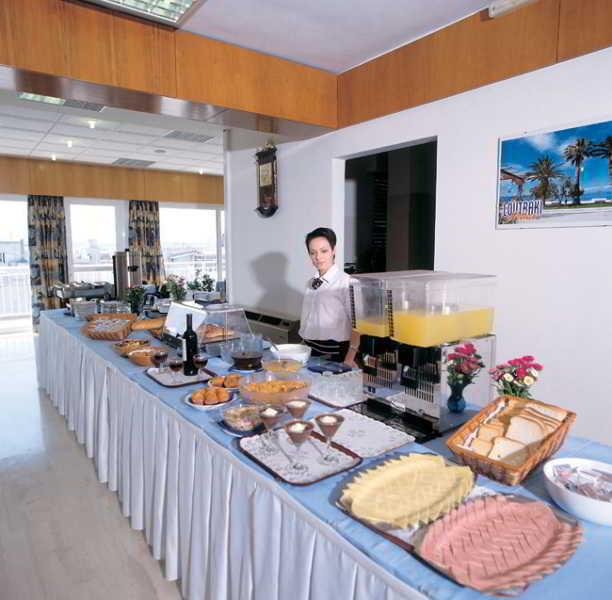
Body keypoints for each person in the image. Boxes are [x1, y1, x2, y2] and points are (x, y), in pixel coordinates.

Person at [299, 227, 359, 364]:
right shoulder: (311, 282)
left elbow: (358, 325)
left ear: (333, 250)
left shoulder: (347, 282)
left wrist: (350, 358)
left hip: (334, 351)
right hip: (310, 349)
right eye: (313, 252)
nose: (318, 257)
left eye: (324, 251)